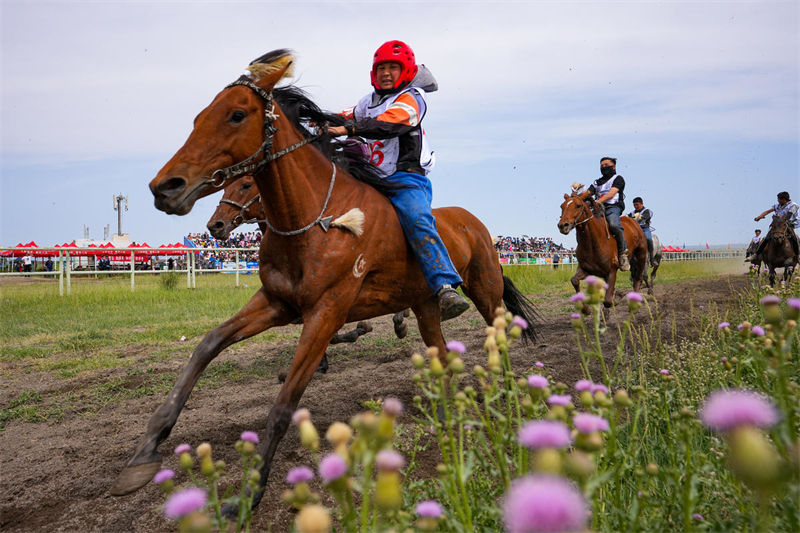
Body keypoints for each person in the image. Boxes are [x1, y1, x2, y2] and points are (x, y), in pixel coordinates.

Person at [328, 40, 469, 320]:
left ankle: (443, 286)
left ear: (405, 71)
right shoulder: (367, 102)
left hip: (406, 179)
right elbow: (343, 114)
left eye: (394, 67)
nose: (386, 73)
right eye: (381, 67)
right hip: (372, 180)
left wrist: (349, 128)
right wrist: (312, 118)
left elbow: (391, 123)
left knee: (417, 218)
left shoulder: (412, 97)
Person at [587, 157, 629, 271]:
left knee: (614, 224)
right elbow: (588, 193)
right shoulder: (597, 182)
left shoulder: (618, 179)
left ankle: (622, 253)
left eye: (606, 165)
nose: (603, 167)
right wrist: (577, 196)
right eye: (602, 165)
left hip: (613, 207)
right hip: (598, 208)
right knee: (585, 225)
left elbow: (611, 194)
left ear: (613, 166)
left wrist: (596, 202)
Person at [750, 191, 799, 259]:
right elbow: (767, 211)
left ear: (784, 199)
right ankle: (756, 255)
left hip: (790, 222)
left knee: (794, 237)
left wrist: (781, 221)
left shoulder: (793, 205)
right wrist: (760, 216)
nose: (778, 201)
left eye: (779, 199)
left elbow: (789, 215)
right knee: (767, 237)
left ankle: (797, 255)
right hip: (778, 223)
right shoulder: (777, 205)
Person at [627, 197, 655, 266]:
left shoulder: (647, 211)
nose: (635, 206)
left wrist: (634, 218)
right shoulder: (632, 212)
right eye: (634, 205)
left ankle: (652, 258)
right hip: (635, 230)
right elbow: (628, 218)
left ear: (642, 204)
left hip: (644, 229)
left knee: (648, 239)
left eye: (637, 204)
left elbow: (643, 220)